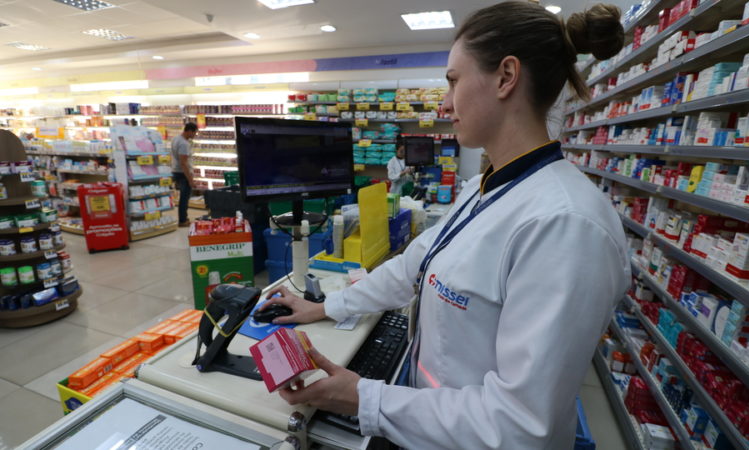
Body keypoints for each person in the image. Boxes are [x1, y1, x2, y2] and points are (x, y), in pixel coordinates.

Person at [260, 2, 628, 448]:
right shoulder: (483, 188)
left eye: (453, 80)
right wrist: (323, 308)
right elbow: (412, 266)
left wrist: (365, 398)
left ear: (506, 77)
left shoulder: (566, 226)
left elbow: (520, 427)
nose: (446, 102)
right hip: (431, 425)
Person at [172, 122, 197, 227]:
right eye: (195, 132)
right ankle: (183, 220)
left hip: (176, 171)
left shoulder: (176, 138)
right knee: (184, 198)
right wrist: (190, 179)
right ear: (190, 131)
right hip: (183, 173)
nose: (195, 135)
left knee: (183, 197)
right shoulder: (184, 144)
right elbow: (183, 163)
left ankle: (183, 218)